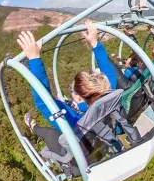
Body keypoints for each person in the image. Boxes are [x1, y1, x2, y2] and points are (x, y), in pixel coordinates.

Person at [16, 21, 121, 157]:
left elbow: (43, 102)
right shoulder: (109, 97)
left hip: (87, 150)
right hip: (105, 136)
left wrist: (35, 59)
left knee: (50, 133)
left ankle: (33, 127)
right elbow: (109, 72)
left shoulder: (75, 124)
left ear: (79, 96)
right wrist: (95, 43)